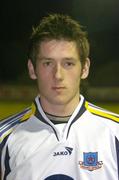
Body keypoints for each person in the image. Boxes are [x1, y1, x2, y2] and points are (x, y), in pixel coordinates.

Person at [0, 14, 119, 180]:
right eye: (48, 63)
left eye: (68, 63)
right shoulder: (4, 138)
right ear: (32, 69)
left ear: (85, 68)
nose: (58, 75)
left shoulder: (115, 133)